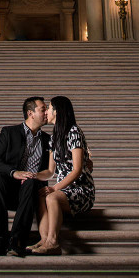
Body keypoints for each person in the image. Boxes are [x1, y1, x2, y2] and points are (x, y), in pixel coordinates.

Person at [29, 95, 94, 255]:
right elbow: (50, 172)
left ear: (57, 111)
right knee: (40, 196)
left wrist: (55, 188)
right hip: (64, 191)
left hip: (81, 190)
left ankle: (53, 241)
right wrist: (32, 175)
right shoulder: (53, 138)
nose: (47, 112)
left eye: (49, 108)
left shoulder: (74, 132)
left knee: (51, 197)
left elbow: (77, 169)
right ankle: (44, 240)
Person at [0, 96, 50, 257]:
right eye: (43, 109)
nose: (47, 112)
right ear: (31, 113)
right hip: (8, 189)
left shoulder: (48, 140)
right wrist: (14, 173)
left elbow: (60, 164)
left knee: (30, 182)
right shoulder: (9, 132)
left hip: (32, 191)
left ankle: (17, 240)